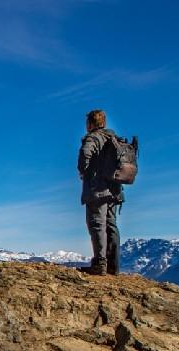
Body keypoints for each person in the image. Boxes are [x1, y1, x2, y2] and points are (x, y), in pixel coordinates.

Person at [78, 109, 124, 275]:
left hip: (98, 189)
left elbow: (85, 155)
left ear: (90, 124)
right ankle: (113, 267)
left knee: (97, 224)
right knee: (111, 225)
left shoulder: (92, 138)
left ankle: (100, 264)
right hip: (115, 189)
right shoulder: (113, 138)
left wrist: (84, 172)